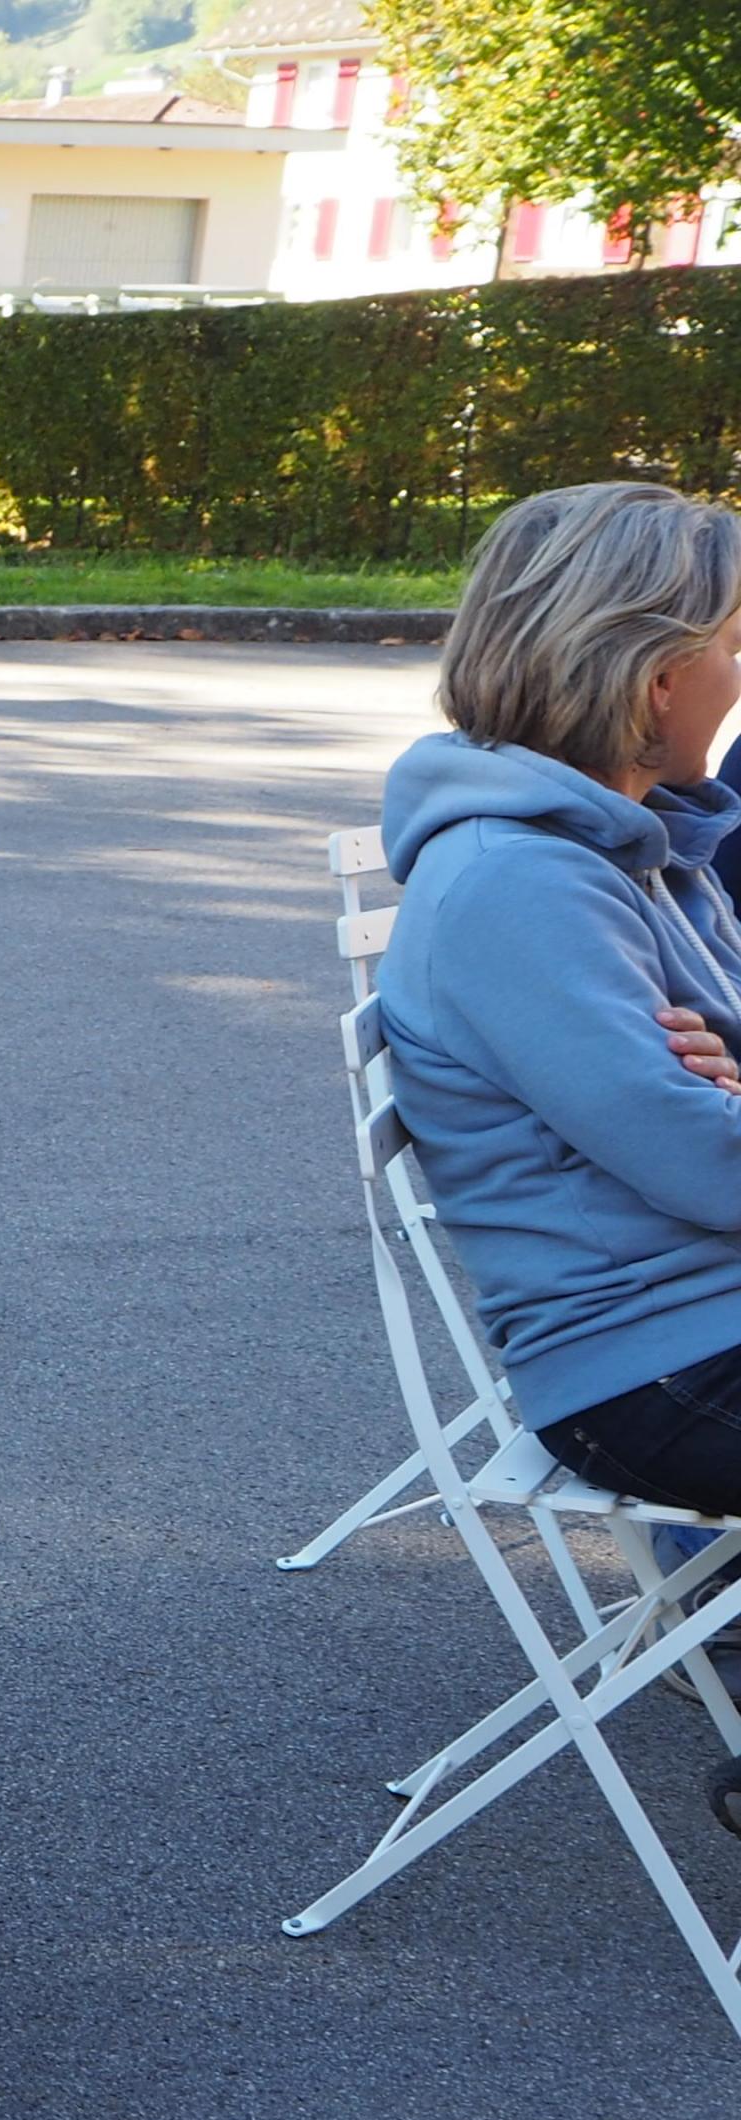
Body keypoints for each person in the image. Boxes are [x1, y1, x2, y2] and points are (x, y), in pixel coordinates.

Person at [375, 481, 741, 1513]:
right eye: (731, 644)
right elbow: (711, 1168)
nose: (738, 675)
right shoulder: (520, 883)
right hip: (663, 1365)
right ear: (657, 677)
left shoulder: (627, 846)